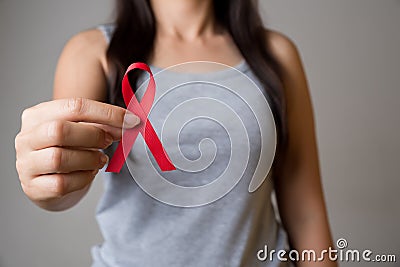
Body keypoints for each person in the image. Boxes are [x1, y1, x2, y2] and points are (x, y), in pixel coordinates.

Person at [14, 0, 337, 266]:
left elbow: (306, 212)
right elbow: (64, 187)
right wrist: (46, 182)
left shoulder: (275, 54)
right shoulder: (93, 52)